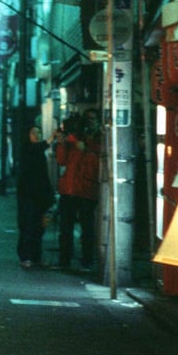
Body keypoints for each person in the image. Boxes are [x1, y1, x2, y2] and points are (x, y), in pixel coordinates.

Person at [54, 112, 100, 271]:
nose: (90, 123)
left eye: (93, 119)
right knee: (65, 228)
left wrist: (86, 147)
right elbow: (61, 161)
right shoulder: (73, 140)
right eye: (88, 120)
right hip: (69, 189)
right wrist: (62, 143)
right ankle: (64, 259)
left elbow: (95, 165)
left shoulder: (99, 139)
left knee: (87, 229)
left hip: (87, 190)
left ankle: (87, 260)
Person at [16, 125, 55, 268]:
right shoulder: (27, 149)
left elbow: (44, 176)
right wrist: (52, 137)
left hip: (40, 195)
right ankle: (25, 256)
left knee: (39, 227)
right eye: (33, 132)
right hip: (27, 194)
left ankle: (36, 256)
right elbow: (39, 147)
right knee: (27, 226)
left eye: (38, 132)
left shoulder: (38, 151)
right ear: (27, 135)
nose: (36, 135)